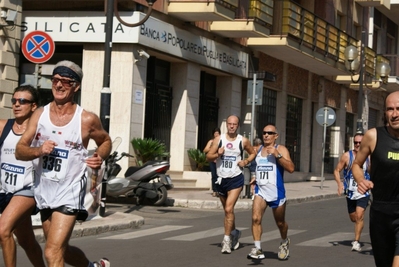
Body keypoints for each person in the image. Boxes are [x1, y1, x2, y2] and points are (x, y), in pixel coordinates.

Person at [15, 60, 112, 267]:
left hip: (70, 191)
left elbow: (105, 141)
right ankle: (92, 266)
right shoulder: (39, 115)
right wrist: (39, 150)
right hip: (44, 191)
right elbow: (20, 150)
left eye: (66, 82)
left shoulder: (86, 119)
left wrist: (100, 156)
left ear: (76, 87)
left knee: (51, 252)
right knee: (62, 251)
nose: (58, 85)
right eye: (55, 80)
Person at [0, 85, 46, 267]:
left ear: (33, 106)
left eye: (22, 101)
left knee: (3, 230)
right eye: (14, 101)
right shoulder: (4, 126)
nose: (16, 105)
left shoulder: (39, 130)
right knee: (27, 241)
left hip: (28, 189)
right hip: (5, 191)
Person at [352, 91, 399, 267]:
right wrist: (361, 180)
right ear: (385, 113)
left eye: (398, 109)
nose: (395, 114)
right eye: (390, 109)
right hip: (380, 212)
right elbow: (356, 164)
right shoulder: (373, 136)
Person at [206, 115, 256, 254]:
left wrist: (245, 162)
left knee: (229, 209)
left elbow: (253, 153)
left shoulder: (243, 140)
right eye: (230, 124)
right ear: (226, 125)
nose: (232, 126)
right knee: (228, 212)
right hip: (221, 179)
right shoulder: (218, 139)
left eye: (234, 124)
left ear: (238, 125)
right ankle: (234, 233)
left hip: (236, 178)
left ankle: (226, 241)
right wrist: (217, 154)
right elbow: (208, 156)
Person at [247, 125, 294, 260]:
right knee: (256, 218)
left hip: (276, 192)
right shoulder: (258, 149)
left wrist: (277, 155)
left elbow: (291, 168)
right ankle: (257, 248)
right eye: (264, 133)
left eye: (270, 133)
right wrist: (256, 177)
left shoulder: (281, 149)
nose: (266, 135)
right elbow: (259, 168)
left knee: (280, 223)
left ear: (276, 136)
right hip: (261, 190)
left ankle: (284, 241)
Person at [333, 133, 370, 252]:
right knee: (354, 218)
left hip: (363, 192)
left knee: (359, 215)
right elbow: (337, 170)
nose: (358, 145)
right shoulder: (347, 156)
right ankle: (359, 226)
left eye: (360, 142)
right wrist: (339, 184)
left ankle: (356, 241)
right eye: (356, 142)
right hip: (350, 192)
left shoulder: (369, 157)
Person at [203, 127, 221, 197]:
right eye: (215, 133)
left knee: (219, 176)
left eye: (218, 133)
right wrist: (211, 147)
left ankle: (219, 190)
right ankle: (214, 190)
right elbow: (205, 150)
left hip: (219, 161)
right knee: (214, 175)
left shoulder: (221, 141)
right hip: (212, 161)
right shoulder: (211, 142)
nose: (216, 134)